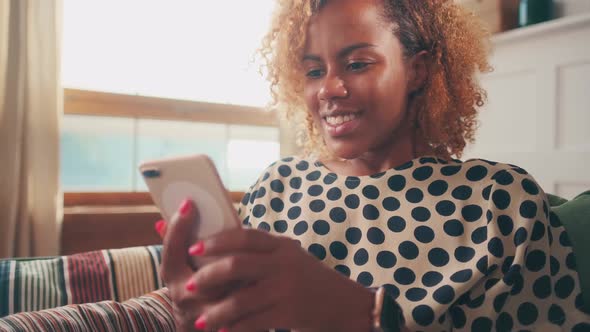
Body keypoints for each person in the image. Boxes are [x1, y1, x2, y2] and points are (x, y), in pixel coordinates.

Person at [1, 0, 588, 331]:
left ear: (420, 70)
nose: (329, 88)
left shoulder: (498, 199)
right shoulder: (278, 187)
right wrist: (197, 315)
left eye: (357, 63)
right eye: (313, 70)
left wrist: (366, 317)